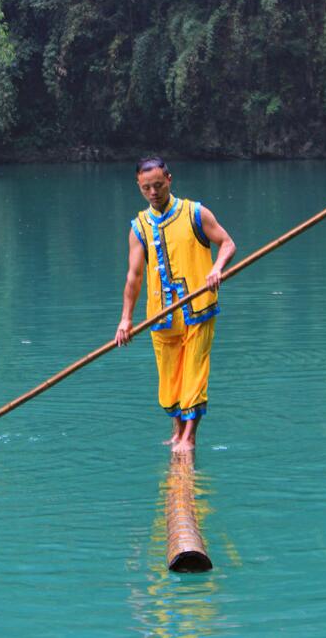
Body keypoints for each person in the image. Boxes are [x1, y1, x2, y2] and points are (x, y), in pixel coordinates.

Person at [115, 157, 236, 453]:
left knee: (194, 371)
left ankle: (189, 437)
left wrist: (217, 268)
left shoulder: (195, 213)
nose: (153, 192)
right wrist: (125, 320)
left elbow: (227, 243)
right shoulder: (139, 227)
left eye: (158, 185)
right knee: (170, 378)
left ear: (169, 179)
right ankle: (177, 431)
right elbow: (134, 276)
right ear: (139, 187)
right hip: (161, 314)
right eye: (147, 188)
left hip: (198, 309)